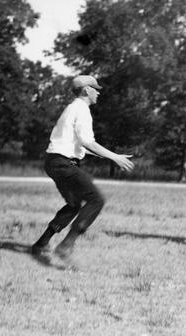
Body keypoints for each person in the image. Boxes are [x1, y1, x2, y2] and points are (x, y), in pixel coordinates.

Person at [31, 75, 134, 260]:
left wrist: (109, 157)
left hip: (54, 161)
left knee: (73, 205)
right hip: (64, 164)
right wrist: (115, 156)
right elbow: (88, 142)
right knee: (96, 200)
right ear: (86, 90)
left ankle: (41, 244)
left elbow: (79, 144)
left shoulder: (72, 108)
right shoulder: (82, 110)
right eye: (96, 89)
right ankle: (66, 245)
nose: (99, 93)